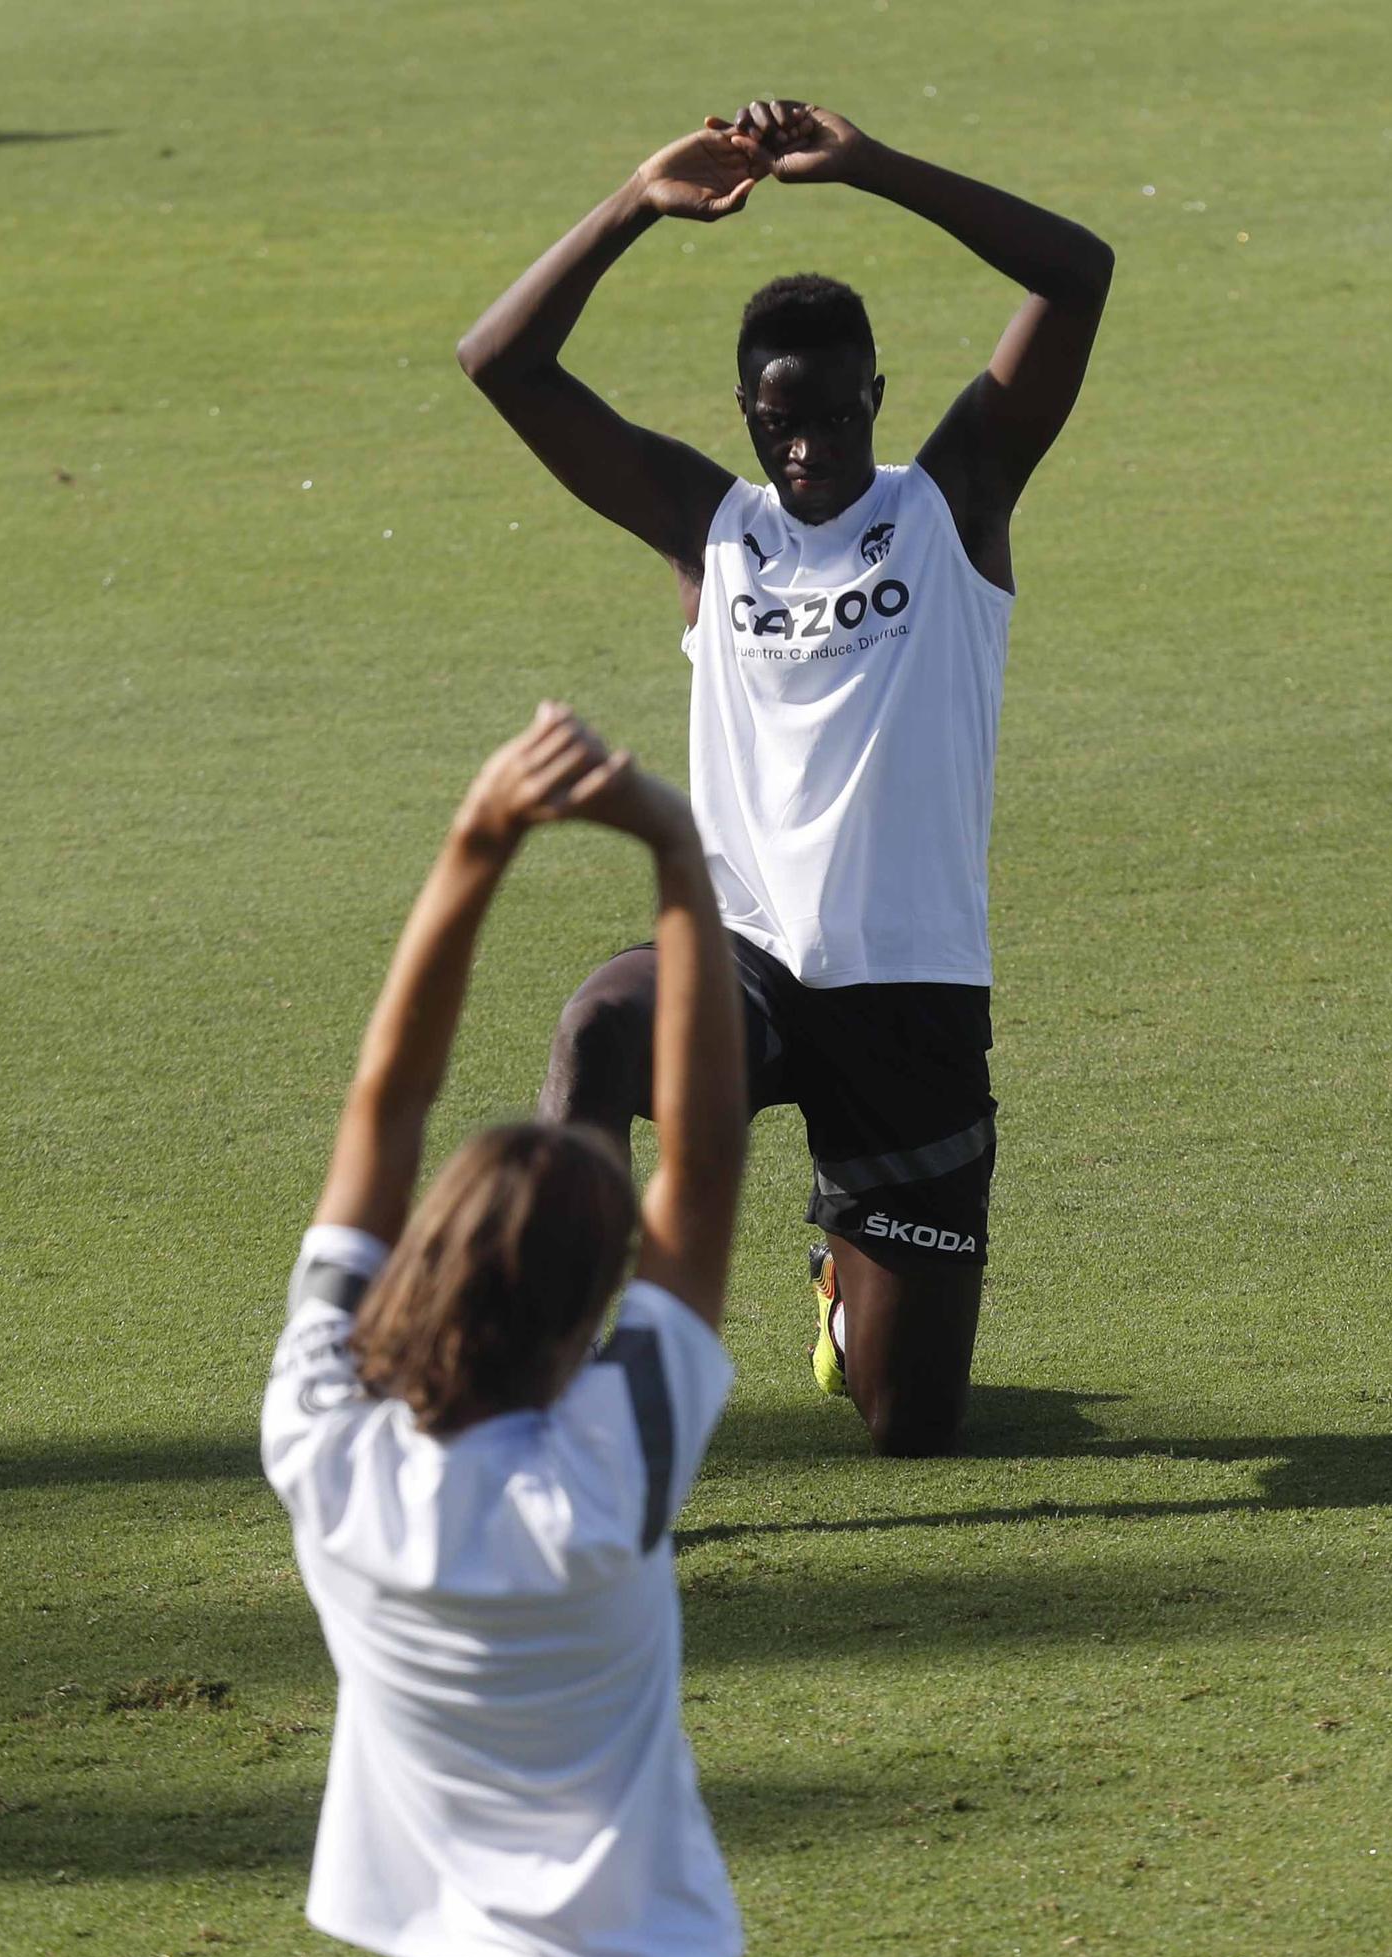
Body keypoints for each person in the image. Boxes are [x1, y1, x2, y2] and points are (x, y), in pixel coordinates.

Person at [456, 99, 1113, 1455]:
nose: (801, 449)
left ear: (874, 394)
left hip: (912, 999)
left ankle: (843, 1289)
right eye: (774, 424)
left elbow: (1076, 271)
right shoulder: (714, 531)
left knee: (910, 1425)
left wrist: (869, 169)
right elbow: (502, 363)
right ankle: (552, 1388)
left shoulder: (951, 508)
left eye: (825, 416)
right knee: (595, 1032)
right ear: (747, 419)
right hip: (743, 966)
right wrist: (635, 200)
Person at [262, 703, 750, 1957]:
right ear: (592, 1312)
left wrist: (477, 839)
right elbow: (701, 1164)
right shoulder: (610, 1473)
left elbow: (387, 1102)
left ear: (421, 1260)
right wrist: (677, 851)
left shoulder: (325, 1444)